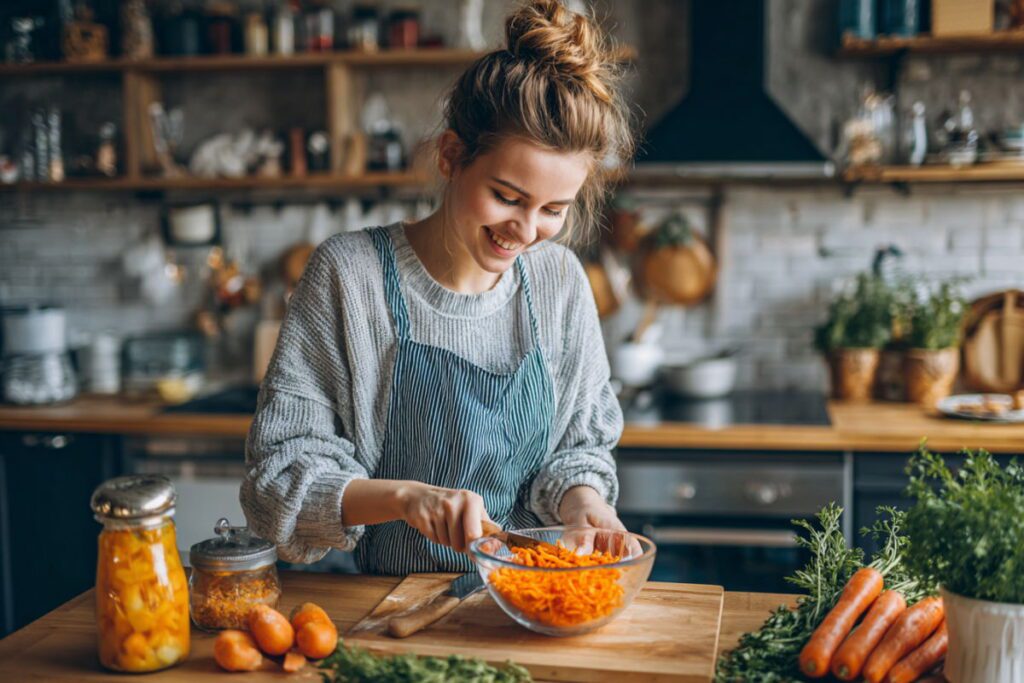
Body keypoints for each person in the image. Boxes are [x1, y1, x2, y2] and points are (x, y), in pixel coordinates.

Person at [242, 0, 636, 575]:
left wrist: (584, 503)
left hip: (527, 607)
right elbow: (276, 478)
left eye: (553, 209)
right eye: (506, 197)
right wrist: (405, 499)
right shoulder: (350, 277)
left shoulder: (560, 283)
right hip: (382, 615)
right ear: (452, 157)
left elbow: (578, 450)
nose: (526, 232)